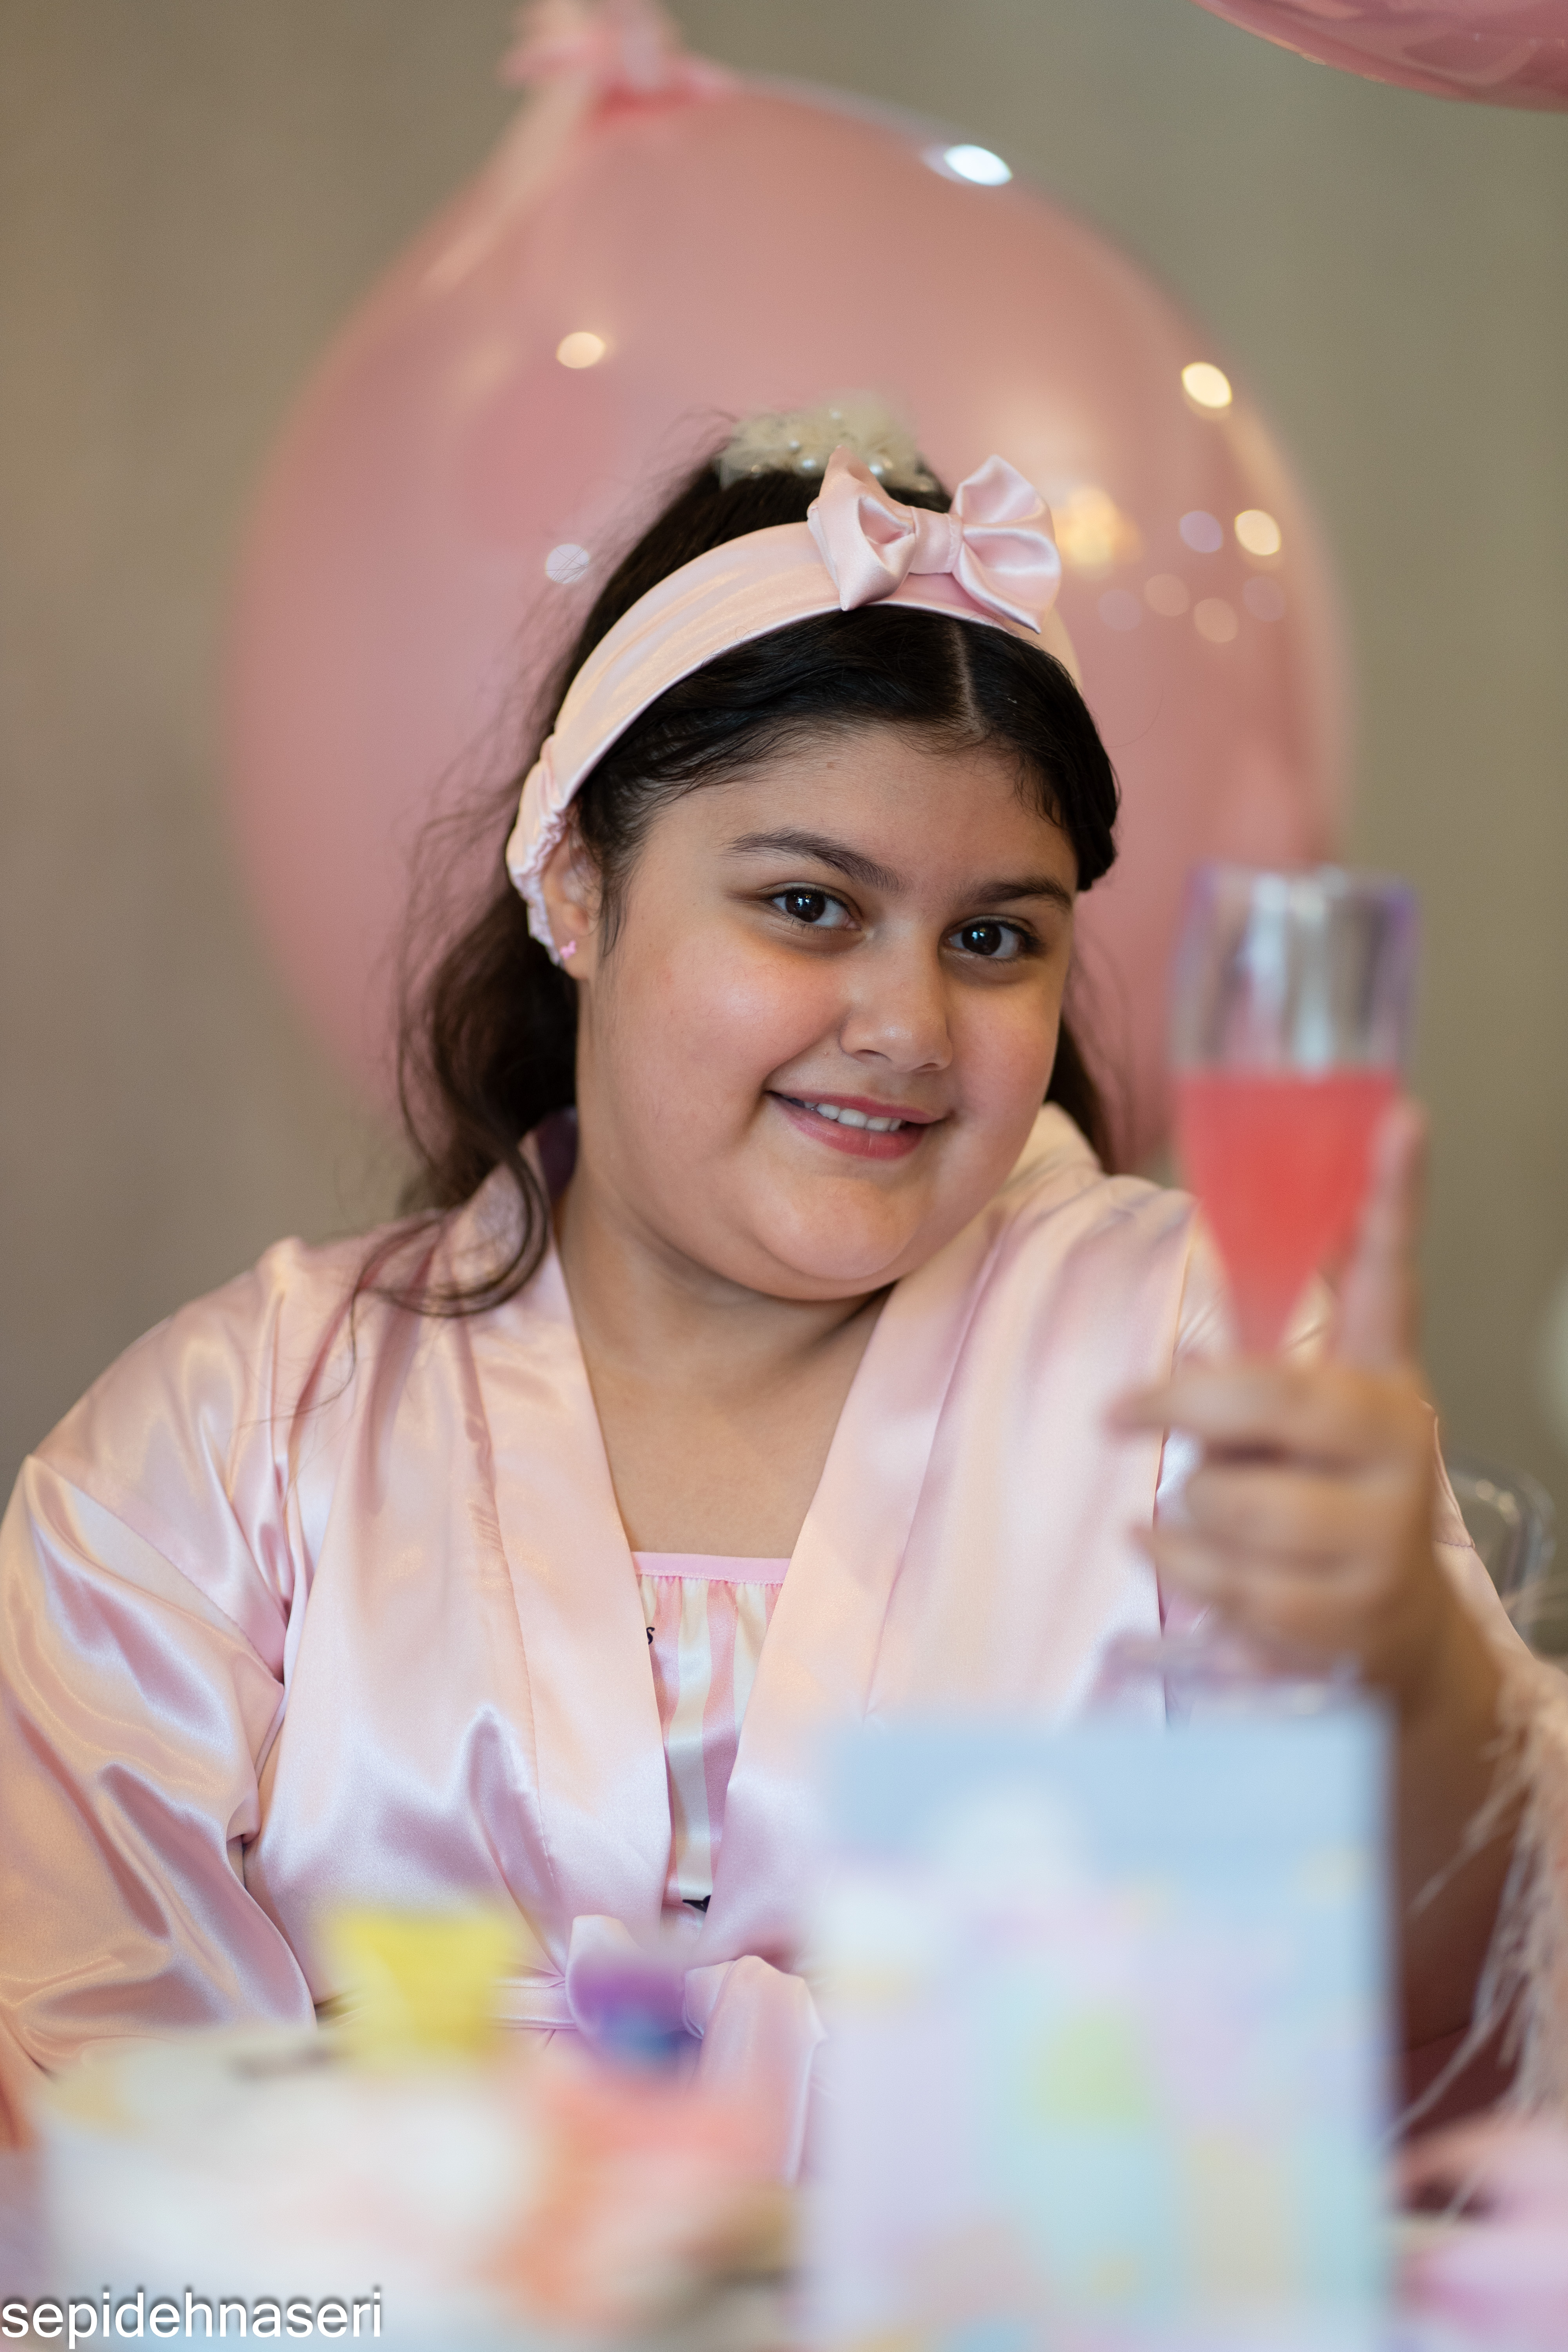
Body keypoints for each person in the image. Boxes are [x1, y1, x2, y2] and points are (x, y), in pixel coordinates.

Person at [1, 401, 1563, 2170]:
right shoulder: (232, 1445)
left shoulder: (1194, 1362)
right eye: (810, 907)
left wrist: (1415, 1679)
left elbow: (1435, 2053)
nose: (908, 1028)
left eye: (994, 939)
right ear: (575, 883)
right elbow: (92, 2131)